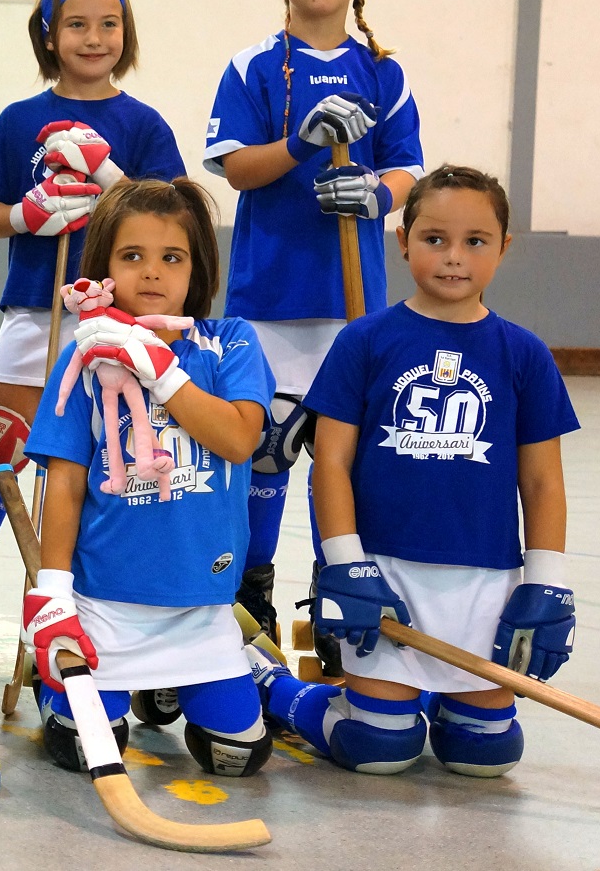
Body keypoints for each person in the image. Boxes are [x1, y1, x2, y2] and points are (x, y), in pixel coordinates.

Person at [248, 165, 579, 779]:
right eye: (434, 239)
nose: (454, 258)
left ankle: (431, 702)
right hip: (386, 577)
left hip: (487, 583)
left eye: (475, 242)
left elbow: (542, 482)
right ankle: (269, 680)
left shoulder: (524, 352)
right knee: (378, 749)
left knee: (486, 754)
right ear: (403, 241)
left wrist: (547, 582)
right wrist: (346, 563)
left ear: (503, 249)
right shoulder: (364, 341)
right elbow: (333, 465)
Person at [202, 0, 424, 637]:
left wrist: (372, 193)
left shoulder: (384, 72)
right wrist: (300, 143)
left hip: (352, 305)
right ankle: (251, 588)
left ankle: (336, 591)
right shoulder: (255, 66)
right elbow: (236, 168)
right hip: (269, 298)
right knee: (265, 451)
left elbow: (407, 173)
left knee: (342, 455)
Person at [22, 179, 275, 779]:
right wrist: (52, 594)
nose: (152, 272)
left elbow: (239, 439)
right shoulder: (85, 355)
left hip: (202, 603)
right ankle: (61, 681)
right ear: (104, 268)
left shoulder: (229, 341)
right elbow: (65, 481)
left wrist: (161, 372)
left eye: (173, 257)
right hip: (105, 604)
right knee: (81, 751)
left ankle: (267, 677)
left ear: (199, 268)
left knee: (236, 757)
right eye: (131, 256)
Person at [0, 0, 185, 569]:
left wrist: (108, 178)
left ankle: (88, 590)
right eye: (77, 25)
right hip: (36, 304)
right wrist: (26, 217)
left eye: (109, 24)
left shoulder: (143, 123)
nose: (94, 38)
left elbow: (168, 218)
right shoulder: (17, 119)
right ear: (50, 35)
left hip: (120, 318)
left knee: (105, 452)